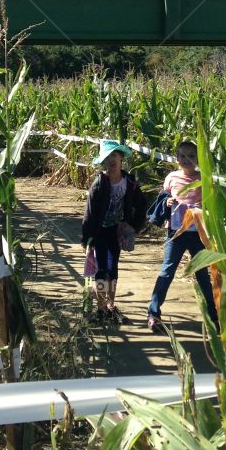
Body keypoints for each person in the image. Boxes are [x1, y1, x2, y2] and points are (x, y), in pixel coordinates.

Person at [146, 140, 217, 332]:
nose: (187, 160)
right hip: (176, 232)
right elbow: (164, 198)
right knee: (167, 271)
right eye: (182, 156)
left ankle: (214, 316)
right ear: (176, 158)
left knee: (202, 274)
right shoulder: (172, 177)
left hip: (198, 233)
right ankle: (153, 313)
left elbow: (211, 203)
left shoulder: (203, 179)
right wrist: (167, 202)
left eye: (191, 156)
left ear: (198, 158)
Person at [80, 138, 146, 324]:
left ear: (121, 158)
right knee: (102, 269)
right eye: (107, 156)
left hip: (115, 231)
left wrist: (133, 225)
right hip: (100, 231)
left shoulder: (129, 182)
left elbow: (141, 204)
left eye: (114, 155)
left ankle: (110, 306)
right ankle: (101, 308)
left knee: (113, 268)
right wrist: (87, 239)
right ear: (103, 161)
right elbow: (89, 213)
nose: (111, 160)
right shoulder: (99, 184)